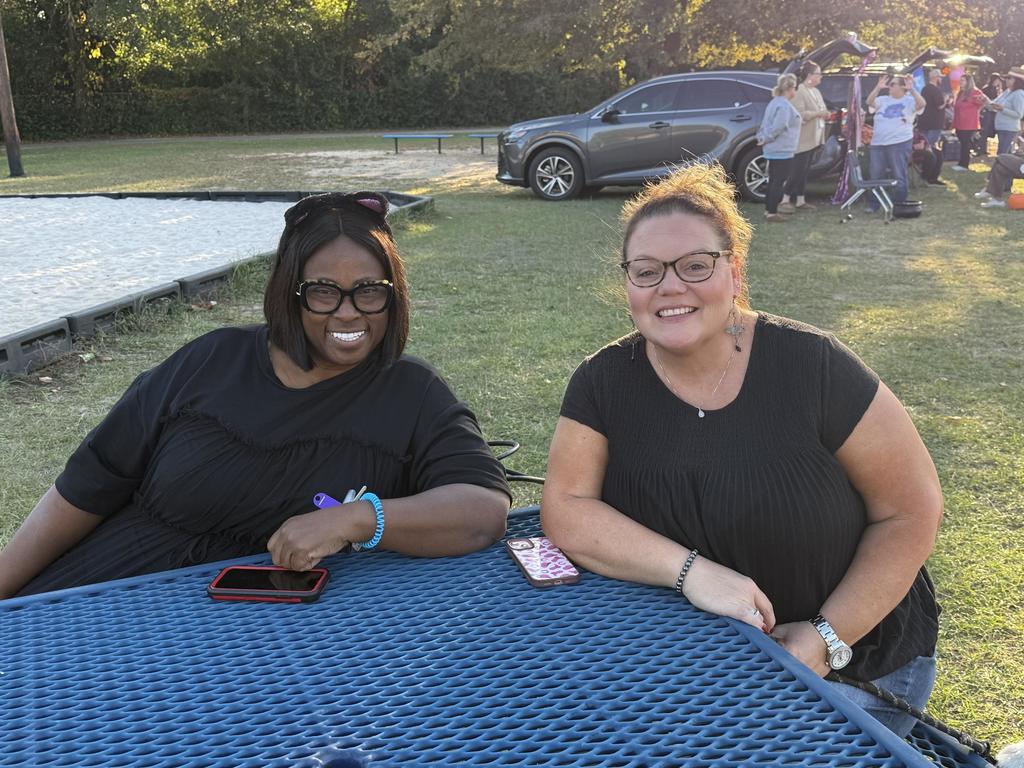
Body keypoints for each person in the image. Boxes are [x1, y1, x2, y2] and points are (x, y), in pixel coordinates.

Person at [541, 163, 943, 738]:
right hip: (685, 664)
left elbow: (911, 510)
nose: (670, 287)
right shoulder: (602, 381)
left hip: (852, 663)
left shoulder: (814, 365)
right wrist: (692, 574)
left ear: (734, 270)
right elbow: (568, 506)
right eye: (647, 271)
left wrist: (825, 639)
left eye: (695, 266)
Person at [0, 191, 512, 598]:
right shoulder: (210, 361)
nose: (349, 312)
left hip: (269, 657)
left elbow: (481, 511)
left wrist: (357, 519)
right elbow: (87, 486)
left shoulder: (413, 392)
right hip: (105, 599)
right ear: (290, 293)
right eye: (323, 291)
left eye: (370, 290)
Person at [866, 75, 926, 209]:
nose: (889, 87)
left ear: (902, 87)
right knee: (876, 174)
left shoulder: (909, 101)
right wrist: (877, 87)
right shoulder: (882, 99)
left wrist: (912, 90)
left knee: (898, 173)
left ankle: (899, 204)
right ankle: (874, 204)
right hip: (878, 143)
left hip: (899, 142)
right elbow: (869, 102)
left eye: (892, 84)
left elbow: (922, 104)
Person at [781, 60, 831, 211]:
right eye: (818, 74)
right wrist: (818, 113)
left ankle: (801, 201)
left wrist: (826, 114)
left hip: (814, 139)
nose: (821, 77)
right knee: (797, 171)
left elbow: (822, 108)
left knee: (805, 171)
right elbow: (799, 115)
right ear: (809, 75)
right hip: (801, 139)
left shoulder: (816, 91)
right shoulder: (800, 92)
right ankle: (784, 199)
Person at [756, 73, 801, 222]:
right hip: (782, 149)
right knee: (778, 181)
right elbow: (779, 126)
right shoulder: (783, 105)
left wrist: (762, 138)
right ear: (789, 88)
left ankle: (769, 210)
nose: (796, 91)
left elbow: (766, 124)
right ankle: (772, 212)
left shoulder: (774, 102)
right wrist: (767, 138)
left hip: (773, 149)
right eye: (795, 87)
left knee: (773, 180)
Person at [917, 68, 949, 187]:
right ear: (935, 78)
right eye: (940, 77)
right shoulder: (934, 90)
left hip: (925, 123)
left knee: (927, 149)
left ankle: (926, 175)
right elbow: (940, 105)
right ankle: (929, 176)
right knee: (930, 150)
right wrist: (945, 100)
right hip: (934, 124)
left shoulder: (925, 89)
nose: (941, 79)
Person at [951, 74, 990, 171]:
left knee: (965, 144)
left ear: (968, 82)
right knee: (962, 143)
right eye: (960, 80)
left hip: (968, 124)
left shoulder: (975, 92)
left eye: (963, 80)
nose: (961, 82)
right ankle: (961, 163)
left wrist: (978, 110)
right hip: (959, 122)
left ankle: (964, 165)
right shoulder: (961, 93)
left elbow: (985, 101)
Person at [989, 67, 1024, 157]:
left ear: (1017, 81)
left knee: (1002, 154)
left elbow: (1019, 114)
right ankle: (1006, 170)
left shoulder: (1019, 93)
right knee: (1004, 154)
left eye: (1009, 78)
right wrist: (984, 100)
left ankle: (1001, 171)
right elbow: (994, 103)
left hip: (1010, 129)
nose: (1006, 80)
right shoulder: (1007, 91)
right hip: (1002, 128)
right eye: (1006, 78)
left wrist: (1002, 109)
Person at [979, 72, 1004, 156]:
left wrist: (1000, 88)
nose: (998, 82)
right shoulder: (987, 89)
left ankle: (984, 149)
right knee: (985, 131)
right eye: (997, 80)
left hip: (994, 112)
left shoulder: (996, 89)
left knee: (990, 131)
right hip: (988, 112)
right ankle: (982, 149)